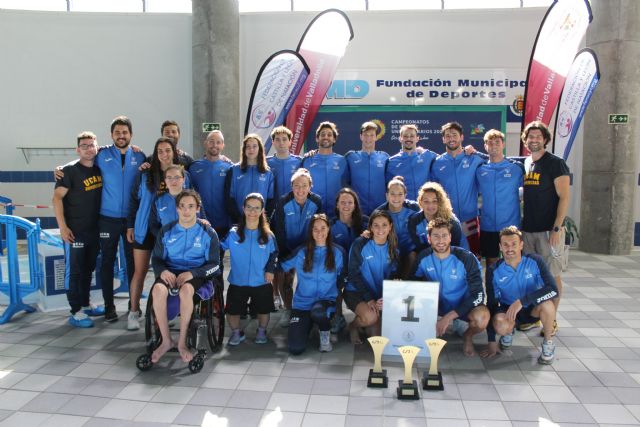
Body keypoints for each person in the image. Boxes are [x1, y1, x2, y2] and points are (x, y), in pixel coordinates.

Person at [149, 189, 220, 363]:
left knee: (186, 290)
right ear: (177, 209)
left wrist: (193, 273)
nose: (186, 210)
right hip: (171, 271)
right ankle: (166, 341)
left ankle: (181, 343)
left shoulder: (208, 233)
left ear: (197, 208)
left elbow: (215, 264)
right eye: (182, 206)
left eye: (190, 206)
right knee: (158, 290)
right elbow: (157, 259)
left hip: (197, 273)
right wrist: (162, 271)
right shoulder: (166, 231)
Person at [410, 217, 489, 356]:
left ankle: (467, 336)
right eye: (436, 236)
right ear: (429, 239)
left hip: (462, 306)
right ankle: (429, 328)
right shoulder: (423, 257)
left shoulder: (466, 258)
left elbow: (479, 295)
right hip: (437, 307)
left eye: (444, 235)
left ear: (450, 237)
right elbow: (410, 284)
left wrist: (449, 317)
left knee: (482, 318)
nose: (440, 240)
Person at [480, 226, 558, 364]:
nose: (510, 248)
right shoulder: (494, 270)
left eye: (514, 244)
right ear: (500, 247)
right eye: (505, 245)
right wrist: (491, 340)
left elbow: (553, 289)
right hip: (509, 312)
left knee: (548, 305)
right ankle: (508, 331)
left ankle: (548, 343)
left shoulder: (535, 261)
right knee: (500, 323)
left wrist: (522, 301)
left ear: (521, 245)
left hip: (532, 309)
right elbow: (491, 304)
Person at [126, 137, 181, 331]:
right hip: (143, 230)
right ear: (156, 154)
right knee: (139, 272)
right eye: (160, 151)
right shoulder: (145, 174)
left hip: (169, 232)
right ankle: (133, 312)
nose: (164, 154)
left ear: (174, 152)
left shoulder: (182, 174)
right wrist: (130, 226)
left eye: (168, 150)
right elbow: (133, 201)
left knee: (171, 273)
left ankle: (171, 311)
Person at [521, 121, 570, 336]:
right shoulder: (527, 163)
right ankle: (536, 316)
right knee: (533, 276)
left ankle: (552, 319)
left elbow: (565, 197)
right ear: (525, 140)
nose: (534, 140)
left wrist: (557, 228)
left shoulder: (556, 164)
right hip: (528, 230)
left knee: (552, 276)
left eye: (538, 136)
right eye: (530, 136)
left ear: (545, 139)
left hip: (549, 231)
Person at [97, 116, 146, 322]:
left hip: (130, 220)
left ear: (131, 135)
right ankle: (109, 307)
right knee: (107, 263)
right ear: (111, 135)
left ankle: (132, 306)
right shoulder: (102, 155)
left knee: (132, 264)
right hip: (107, 218)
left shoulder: (140, 156)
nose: (121, 136)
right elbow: (82, 159)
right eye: (117, 132)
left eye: (124, 132)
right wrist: (61, 169)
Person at [52, 131, 104, 328]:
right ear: (77, 149)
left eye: (92, 145)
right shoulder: (69, 171)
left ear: (96, 147)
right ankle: (75, 311)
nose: (89, 148)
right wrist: (62, 228)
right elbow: (56, 198)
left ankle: (85, 303)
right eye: (84, 145)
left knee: (88, 269)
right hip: (75, 231)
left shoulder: (99, 169)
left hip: (94, 231)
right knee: (74, 272)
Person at [279, 214, 346, 354]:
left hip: (326, 302)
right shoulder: (301, 251)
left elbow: (344, 277)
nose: (319, 232)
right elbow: (281, 266)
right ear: (310, 231)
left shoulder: (338, 252)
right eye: (315, 229)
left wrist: (338, 306)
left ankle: (324, 334)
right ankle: (307, 324)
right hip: (302, 304)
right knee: (295, 348)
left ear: (328, 229)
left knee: (319, 312)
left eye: (323, 228)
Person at [221, 193, 278, 346]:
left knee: (263, 309)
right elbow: (219, 247)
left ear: (262, 211)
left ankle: (261, 331)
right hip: (238, 280)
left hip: (261, 280)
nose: (252, 212)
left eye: (256, 208)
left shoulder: (268, 235)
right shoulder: (233, 233)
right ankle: (236, 332)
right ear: (243, 209)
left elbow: (274, 253)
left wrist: (270, 269)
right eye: (249, 207)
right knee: (232, 310)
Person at [271, 168, 323, 327]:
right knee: (286, 280)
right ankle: (288, 310)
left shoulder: (316, 201)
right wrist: (284, 253)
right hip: (286, 246)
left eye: (304, 185)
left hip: (307, 247)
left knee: (310, 280)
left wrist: (312, 248)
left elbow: (319, 227)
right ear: (292, 186)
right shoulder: (283, 202)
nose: (300, 189)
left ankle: (313, 310)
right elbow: (278, 230)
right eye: (296, 185)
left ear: (310, 187)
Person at [344, 210, 399, 344]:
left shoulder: (394, 249)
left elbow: (392, 276)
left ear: (390, 226)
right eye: (376, 225)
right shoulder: (360, 244)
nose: (380, 229)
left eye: (384, 225)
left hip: (377, 295)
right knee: (370, 318)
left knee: (376, 337)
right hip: (356, 292)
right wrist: (369, 299)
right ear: (370, 227)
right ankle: (352, 326)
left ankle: (364, 320)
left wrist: (383, 298)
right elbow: (353, 274)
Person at [431, 122, 484, 256]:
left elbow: (495, 159)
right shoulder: (437, 162)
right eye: (447, 136)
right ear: (443, 139)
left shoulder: (474, 158)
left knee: (472, 257)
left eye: (454, 135)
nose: (451, 138)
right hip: (447, 219)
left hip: (470, 219)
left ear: (462, 137)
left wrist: (477, 152)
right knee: (449, 257)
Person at [476, 129, 524, 267]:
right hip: (488, 225)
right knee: (491, 262)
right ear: (485, 147)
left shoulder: (516, 168)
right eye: (490, 143)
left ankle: (513, 288)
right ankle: (492, 289)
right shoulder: (480, 169)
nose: (494, 146)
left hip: (511, 225)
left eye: (497, 142)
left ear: (503, 144)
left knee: (513, 260)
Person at [330, 188, 369, 336]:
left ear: (355, 205)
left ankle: (363, 313)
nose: (346, 205)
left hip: (360, 268)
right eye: (343, 202)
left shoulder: (366, 223)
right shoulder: (331, 224)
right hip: (339, 267)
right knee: (334, 281)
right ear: (337, 205)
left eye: (350, 202)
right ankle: (338, 316)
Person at [189, 130, 233, 241]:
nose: (215, 145)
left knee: (219, 257)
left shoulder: (230, 167)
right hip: (200, 223)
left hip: (222, 223)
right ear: (205, 143)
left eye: (218, 142)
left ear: (223, 145)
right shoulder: (194, 167)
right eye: (211, 141)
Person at [300, 122, 350, 217]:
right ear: (317, 138)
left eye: (329, 135)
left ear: (334, 139)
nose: (326, 137)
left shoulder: (342, 161)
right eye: (322, 134)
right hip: (312, 213)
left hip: (336, 214)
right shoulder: (307, 160)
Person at [375, 176, 420, 278]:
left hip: (411, 250)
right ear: (387, 196)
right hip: (390, 250)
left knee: (413, 257)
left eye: (400, 194)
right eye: (392, 194)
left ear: (405, 196)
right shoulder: (379, 212)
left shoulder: (415, 208)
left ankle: (405, 284)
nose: (396, 198)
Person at [225, 134, 275, 224]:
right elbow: (229, 199)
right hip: (238, 222)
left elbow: (271, 200)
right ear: (244, 150)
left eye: (254, 146)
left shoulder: (268, 173)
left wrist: (263, 220)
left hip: (260, 223)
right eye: (248, 146)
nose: (251, 149)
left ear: (260, 149)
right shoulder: (233, 170)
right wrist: (239, 220)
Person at [408, 181, 468, 253]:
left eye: (434, 201)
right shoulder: (413, 220)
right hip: (428, 256)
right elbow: (419, 247)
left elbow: (455, 250)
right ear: (420, 202)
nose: (430, 205)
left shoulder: (452, 223)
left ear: (440, 202)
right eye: (426, 201)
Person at [345, 122, 389, 215]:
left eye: (372, 135)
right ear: (361, 136)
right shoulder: (350, 157)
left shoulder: (385, 157)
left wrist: (418, 150)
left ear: (376, 137)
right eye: (365, 135)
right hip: (357, 210)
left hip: (380, 210)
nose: (368, 138)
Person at [385, 124, 436, 201]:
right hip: (404, 208)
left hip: (424, 207)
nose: (408, 138)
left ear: (417, 138)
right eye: (405, 136)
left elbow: (446, 158)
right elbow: (388, 189)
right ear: (400, 138)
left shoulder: (427, 156)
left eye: (412, 136)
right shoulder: (391, 161)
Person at [149, 165, 200, 236]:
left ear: (184, 179)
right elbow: (153, 225)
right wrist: (163, 237)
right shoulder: (158, 200)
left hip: (191, 242)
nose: (173, 181)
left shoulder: (194, 198)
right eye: (169, 178)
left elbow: (202, 221)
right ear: (165, 180)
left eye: (177, 177)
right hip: (168, 244)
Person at [267, 126, 302, 202]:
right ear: (273, 142)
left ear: (290, 141)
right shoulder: (266, 162)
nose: (281, 143)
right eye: (277, 139)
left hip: (294, 205)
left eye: (284, 139)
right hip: (273, 206)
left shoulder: (300, 161)